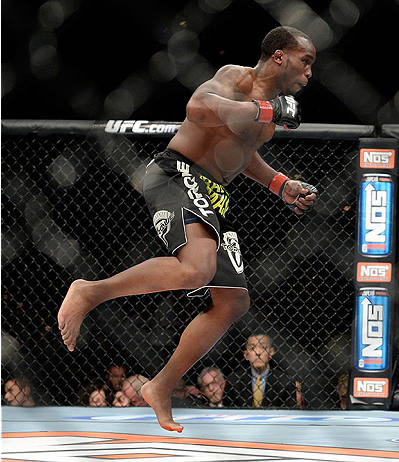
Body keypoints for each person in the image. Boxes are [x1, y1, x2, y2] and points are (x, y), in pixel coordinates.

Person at [57, 26, 317, 432]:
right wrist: (265, 110)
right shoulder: (237, 78)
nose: (309, 72)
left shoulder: (273, 112)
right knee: (197, 267)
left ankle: (160, 385)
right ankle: (90, 291)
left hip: (213, 194)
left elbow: (240, 154)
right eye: (306, 60)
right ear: (280, 56)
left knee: (233, 302)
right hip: (176, 174)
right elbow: (198, 107)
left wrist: (279, 184)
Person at [228, 333, 305, 408]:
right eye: (252, 348)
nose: (257, 352)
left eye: (263, 347)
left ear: (271, 352)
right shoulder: (233, 381)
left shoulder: (285, 382)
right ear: (246, 355)